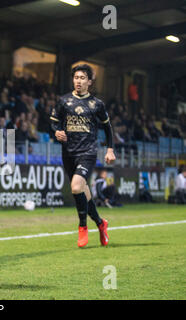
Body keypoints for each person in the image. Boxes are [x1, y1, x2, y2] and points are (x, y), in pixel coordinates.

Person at [51, 63, 116, 248]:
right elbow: (53, 123)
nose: (78, 81)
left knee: (76, 186)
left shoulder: (97, 104)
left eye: (82, 78)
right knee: (82, 191)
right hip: (68, 153)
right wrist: (56, 132)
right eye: (76, 77)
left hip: (88, 152)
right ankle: (101, 223)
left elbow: (108, 128)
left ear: (89, 81)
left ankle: (82, 227)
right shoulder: (64, 101)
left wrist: (110, 149)